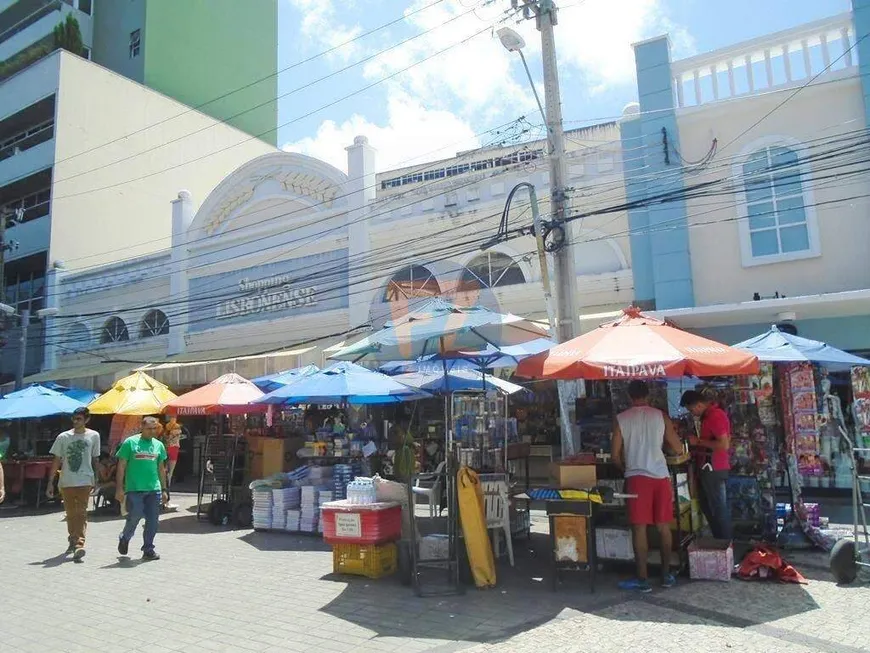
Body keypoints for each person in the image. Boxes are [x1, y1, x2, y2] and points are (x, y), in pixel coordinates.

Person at [611, 381, 684, 592]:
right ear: (648, 395)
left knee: (639, 528)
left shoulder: (621, 419)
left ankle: (642, 579)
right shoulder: (661, 416)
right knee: (663, 526)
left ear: (628, 396)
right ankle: (666, 575)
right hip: (660, 476)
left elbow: (615, 456)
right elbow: (677, 447)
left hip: (636, 478)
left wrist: (627, 467)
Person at [45, 407, 101, 561]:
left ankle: (79, 544)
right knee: (71, 513)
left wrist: (97, 479)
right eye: (74, 419)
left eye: (79, 419)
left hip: (85, 479)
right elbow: (56, 460)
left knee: (81, 513)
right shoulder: (63, 437)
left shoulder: (93, 436)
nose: (76, 422)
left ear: (87, 420)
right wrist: (50, 482)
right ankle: (72, 539)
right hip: (67, 480)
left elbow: (95, 459)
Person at [681, 390, 733, 540]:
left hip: (714, 468)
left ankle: (725, 544)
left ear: (698, 405)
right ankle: (720, 540)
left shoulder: (715, 416)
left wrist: (697, 441)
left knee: (718, 509)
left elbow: (723, 444)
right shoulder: (708, 417)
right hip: (708, 468)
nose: (692, 413)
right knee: (708, 506)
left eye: (691, 410)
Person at [115, 416, 169, 560]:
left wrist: (164, 489)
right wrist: (119, 488)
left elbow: (161, 469)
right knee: (135, 515)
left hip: (154, 489)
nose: (152, 431)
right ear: (142, 428)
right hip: (134, 489)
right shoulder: (130, 443)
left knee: (153, 521)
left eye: (154, 429)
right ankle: (125, 537)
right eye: (149, 429)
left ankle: (148, 549)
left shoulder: (159, 445)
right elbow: (121, 466)